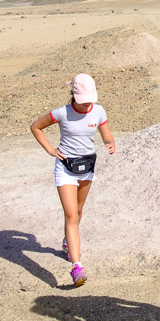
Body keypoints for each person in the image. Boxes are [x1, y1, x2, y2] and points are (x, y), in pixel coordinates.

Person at [30, 73, 116, 287]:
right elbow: (36, 127)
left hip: (87, 166)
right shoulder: (61, 113)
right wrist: (50, 149)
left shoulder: (98, 111)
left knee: (77, 212)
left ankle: (68, 244)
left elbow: (106, 133)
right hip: (66, 168)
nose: (88, 104)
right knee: (70, 215)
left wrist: (110, 142)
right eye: (84, 99)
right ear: (74, 95)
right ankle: (77, 267)